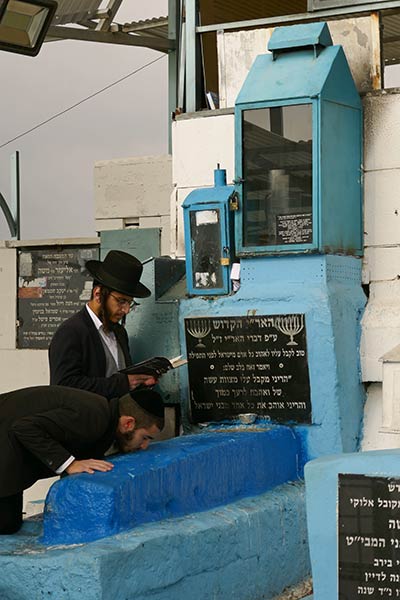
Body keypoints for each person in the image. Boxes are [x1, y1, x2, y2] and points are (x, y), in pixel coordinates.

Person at [0, 385, 165, 535]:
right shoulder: (94, 417)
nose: (144, 446)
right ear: (128, 423)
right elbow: (24, 427)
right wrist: (70, 464)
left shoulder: (102, 416)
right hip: (7, 445)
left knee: (8, 523)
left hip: (9, 455)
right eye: (145, 437)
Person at [49, 250, 156, 400]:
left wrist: (142, 382)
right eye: (121, 301)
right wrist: (123, 383)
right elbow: (64, 385)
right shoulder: (71, 332)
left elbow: (122, 381)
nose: (125, 310)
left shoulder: (119, 332)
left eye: (130, 303)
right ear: (98, 294)